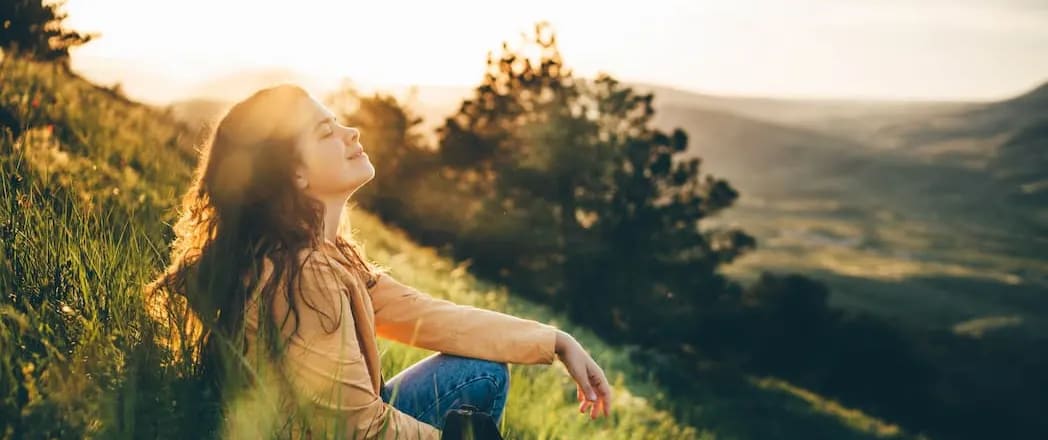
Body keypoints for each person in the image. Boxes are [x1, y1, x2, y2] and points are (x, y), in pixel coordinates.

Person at [148, 84, 613, 439]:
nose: (351, 132)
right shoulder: (303, 273)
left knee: (480, 370)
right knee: (476, 385)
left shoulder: (322, 253)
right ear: (296, 173)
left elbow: (427, 316)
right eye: (326, 132)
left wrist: (554, 341)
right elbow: (356, 430)